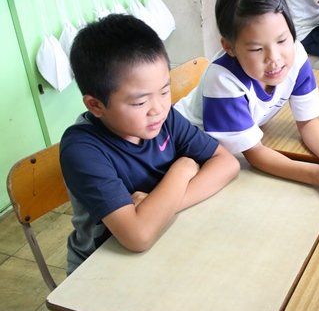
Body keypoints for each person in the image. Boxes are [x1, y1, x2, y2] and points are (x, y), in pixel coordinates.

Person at [61, 14, 240, 275]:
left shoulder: (163, 119)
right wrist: (184, 167)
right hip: (101, 268)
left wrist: (157, 207)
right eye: (139, 102)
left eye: (165, 91)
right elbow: (138, 236)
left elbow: (227, 163)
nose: (158, 108)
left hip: (163, 239)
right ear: (95, 105)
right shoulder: (82, 150)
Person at [175, 0, 319, 194]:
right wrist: (314, 175)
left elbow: (307, 122)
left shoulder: (297, 56)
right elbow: (254, 153)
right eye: (256, 49)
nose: (275, 58)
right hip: (185, 147)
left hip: (232, 148)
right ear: (229, 47)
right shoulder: (223, 79)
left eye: (282, 40)